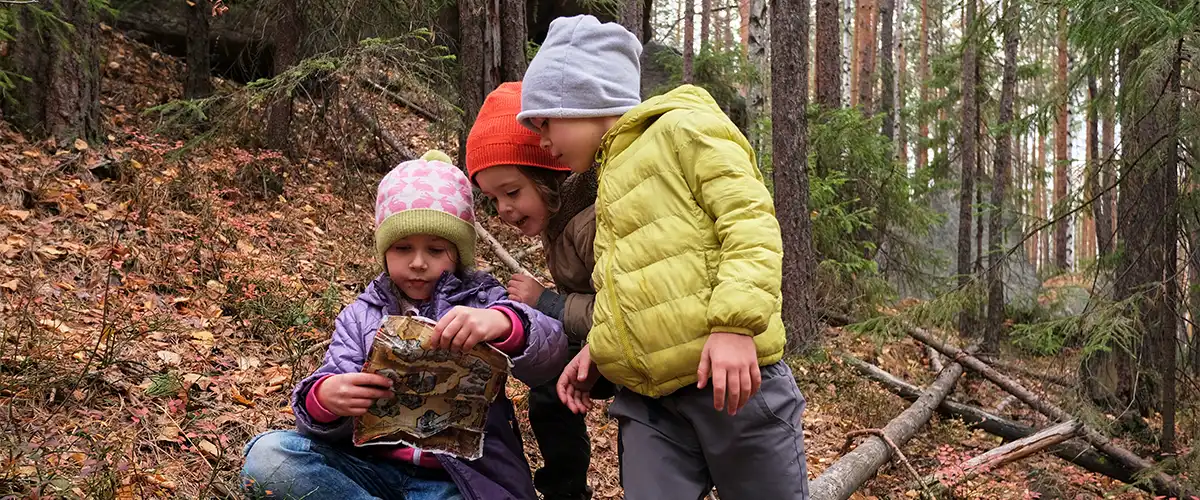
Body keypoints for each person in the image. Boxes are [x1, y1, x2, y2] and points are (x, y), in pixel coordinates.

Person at [518, 15, 811, 500]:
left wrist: (736, 326)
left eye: (545, 122)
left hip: (731, 383)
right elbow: (628, 279)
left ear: (585, 97)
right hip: (650, 402)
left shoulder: (684, 129)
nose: (543, 141)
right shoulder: (606, 179)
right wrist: (603, 348)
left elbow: (749, 221)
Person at [240, 150, 568, 500]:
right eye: (402, 248)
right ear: (384, 252)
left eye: (436, 250)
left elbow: (551, 355)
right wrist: (324, 399)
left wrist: (505, 323)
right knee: (268, 457)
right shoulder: (361, 316)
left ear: (457, 253)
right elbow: (329, 389)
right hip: (368, 469)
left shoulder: (484, 302)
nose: (417, 263)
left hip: (457, 480)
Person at [466, 81, 605, 500]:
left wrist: (544, 301)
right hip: (598, 340)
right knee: (548, 384)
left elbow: (619, 311)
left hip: (628, 347)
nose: (504, 210)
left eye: (512, 192)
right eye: (492, 199)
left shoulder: (589, 222)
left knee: (560, 384)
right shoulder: (558, 220)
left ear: (550, 172)